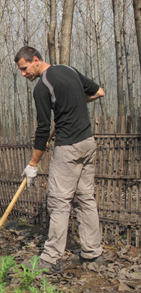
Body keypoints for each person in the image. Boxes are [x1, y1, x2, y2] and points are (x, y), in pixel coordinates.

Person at [14, 46, 105, 274]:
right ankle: (93, 254)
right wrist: (72, 107)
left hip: (68, 148)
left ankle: (51, 258)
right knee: (85, 198)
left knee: (59, 202)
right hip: (88, 143)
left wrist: (33, 164)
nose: (24, 74)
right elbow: (99, 92)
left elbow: (43, 129)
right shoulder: (69, 69)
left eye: (25, 69)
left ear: (35, 60)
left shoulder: (42, 87)